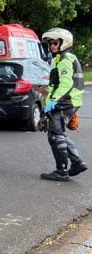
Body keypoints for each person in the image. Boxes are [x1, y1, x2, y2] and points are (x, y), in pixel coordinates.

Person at [40, 28, 87, 182]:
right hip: (68, 102)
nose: (51, 46)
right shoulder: (61, 59)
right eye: (49, 43)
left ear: (63, 42)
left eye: (54, 42)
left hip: (64, 102)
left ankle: (62, 171)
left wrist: (54, 101)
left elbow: (66, 84)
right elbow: (58, 82)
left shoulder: (65, 58)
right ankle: (77, 163)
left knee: (55, 136)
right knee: (58, 134)